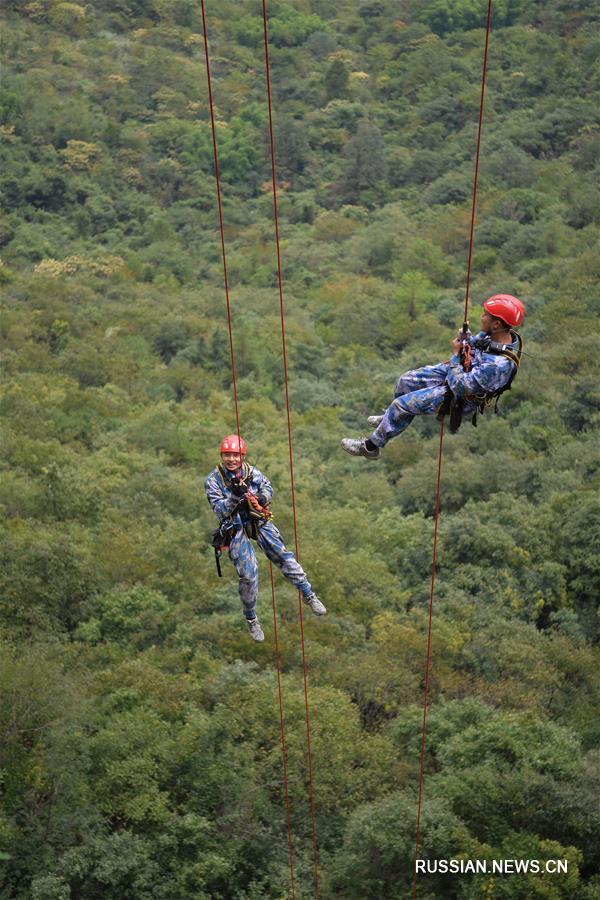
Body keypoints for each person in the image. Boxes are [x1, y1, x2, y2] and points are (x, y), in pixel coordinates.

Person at [341, 294, 524, 459]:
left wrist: (455, 355)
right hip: (460, 372)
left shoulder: (498, 365)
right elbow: (477, 342)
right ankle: (391, 418)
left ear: (497, 324)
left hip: (462, 395)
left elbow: (460, 386)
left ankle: (370, 447)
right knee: (405, 381)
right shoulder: (499, 335)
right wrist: (466, 339)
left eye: (485, 315)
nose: (482, 317)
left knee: (401, 405)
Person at [205, 434, 326, 642]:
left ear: (242, 456)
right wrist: (235, 495)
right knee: (248, 574)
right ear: (222, 456)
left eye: (235, 455)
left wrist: (260, 498)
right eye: (227, 455)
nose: (231, 459)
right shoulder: (213, 481)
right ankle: (251, 618)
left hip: (256, 519)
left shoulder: (252, 473)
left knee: (283, 556)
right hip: (234, 526)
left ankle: (309, 594)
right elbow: (220, 511)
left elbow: (268, 488)